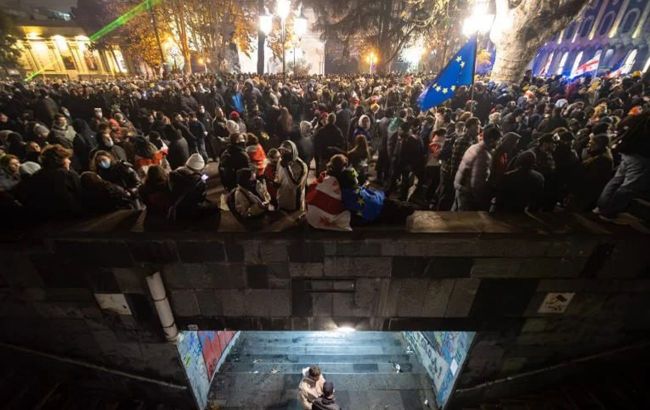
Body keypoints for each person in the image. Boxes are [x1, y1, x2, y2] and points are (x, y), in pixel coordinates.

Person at [597, 112, 650, 218]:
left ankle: (602, 205)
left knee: (616, 180)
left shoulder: (643, 116)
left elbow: (625, 124)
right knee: (629, 187)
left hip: (628, 150)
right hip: (641, 155)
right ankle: (608, 211)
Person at [19, 144, 84, 218]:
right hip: (69, 218)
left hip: (46, 218)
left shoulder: (37, 175)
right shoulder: (66, 174)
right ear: (60, 160)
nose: (69, 161)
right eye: (67, 158)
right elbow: (78, 194)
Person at [453, 125, 502, 211]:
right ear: (491, 140)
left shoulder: (474, 147)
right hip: (468, 195)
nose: (498, 144)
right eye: (498, 141)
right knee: (464, 221)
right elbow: (477, 184)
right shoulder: (483, 155)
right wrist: (481, 201)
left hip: (460, 187)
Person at [169, 153, 216, 220]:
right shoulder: (199, 181)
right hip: (189, 210)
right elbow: (200, 199)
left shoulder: (173, 173)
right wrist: (203, 183)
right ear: (199, 169)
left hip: (175, 207)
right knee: (213, 206)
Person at [276, 140, 308, 212]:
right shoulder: (280, 160)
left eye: (286, 152)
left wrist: (286, 168)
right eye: (281, 151)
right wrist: (276, 182)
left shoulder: (301, 166)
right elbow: (277, 175)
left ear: (293, 152)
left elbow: (294, 186)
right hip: (281, 199)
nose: (283, 154)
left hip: (293, 204)